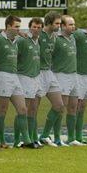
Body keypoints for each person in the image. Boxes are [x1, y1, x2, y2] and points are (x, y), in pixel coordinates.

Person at [0, 15, 37, 149]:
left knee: (23, 109)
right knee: (3, 110)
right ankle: (2, 141)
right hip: (2, 75)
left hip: (15, 76)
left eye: (19, 27)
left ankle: (27, 141)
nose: (18, 29)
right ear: (8, 26)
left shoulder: (17, 41)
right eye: (16, 26)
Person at [51, 15, 83, 146]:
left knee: (74, 106)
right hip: (61, 75)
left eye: (73, 24)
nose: (73, 27)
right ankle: (57, 138)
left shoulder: (73, 38)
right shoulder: (56, 39)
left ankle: (71, 138)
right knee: (60, 107)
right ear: (63, 26)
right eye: (70, 24)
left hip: (74, 75)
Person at [38, 11, 65, 147]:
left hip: (49, 72)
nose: (59, 26)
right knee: (32, 108)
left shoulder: (54, 36)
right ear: (48, 22)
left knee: (59, 105)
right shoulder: (39, 34)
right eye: (57, 23)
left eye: (60, 23)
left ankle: (44, 135)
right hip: (37, 73)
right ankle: (28, 138)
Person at [17, 17, 43, 147]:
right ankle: (19, 140)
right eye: (34, 27)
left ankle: (33, 138)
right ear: (29, 27)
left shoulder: (38, 41)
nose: (36, 30)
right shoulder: (23, 41)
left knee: (33, 109)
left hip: (36, 77)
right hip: (24, 77)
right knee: (23, 109)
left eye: (39, 27)